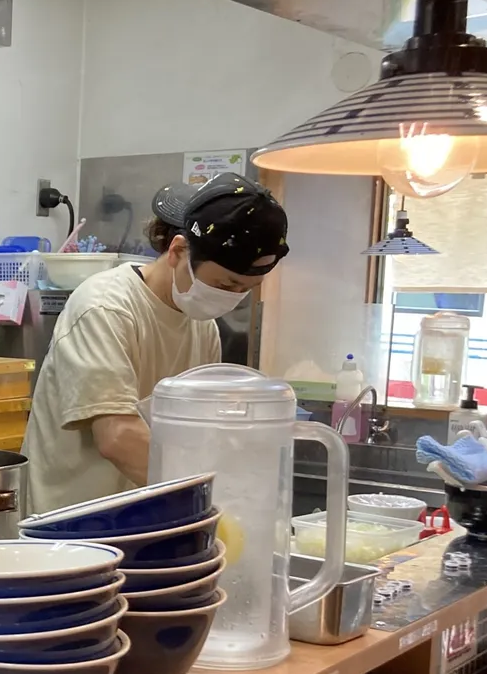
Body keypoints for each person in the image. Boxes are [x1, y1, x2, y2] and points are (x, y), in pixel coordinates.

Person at [23, 172, 289, 513]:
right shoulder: (106, 307)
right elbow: (118, 437)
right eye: (225, 284)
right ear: (178, 250)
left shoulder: (202, 324)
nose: (232, 299)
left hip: (146, 522)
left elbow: (197, 432)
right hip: (73, 526)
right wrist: (213, 500)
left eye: (245, 290)